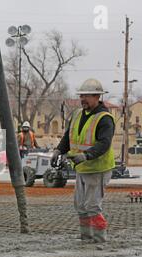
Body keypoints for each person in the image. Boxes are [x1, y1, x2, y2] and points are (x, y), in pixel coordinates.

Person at [51, 79, 115, 243]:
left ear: (97, 96)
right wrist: (59, 150)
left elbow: (104, 143)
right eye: (81, 96)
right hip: (82, 168)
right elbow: (68, 136)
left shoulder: (104, 118)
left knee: (92, 206)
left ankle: (100, 240)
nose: (82, 99)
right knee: (81, 206)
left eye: (86, 96)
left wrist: (86, 156)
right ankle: (86, 238)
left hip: (98, 169)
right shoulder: (78, 114)